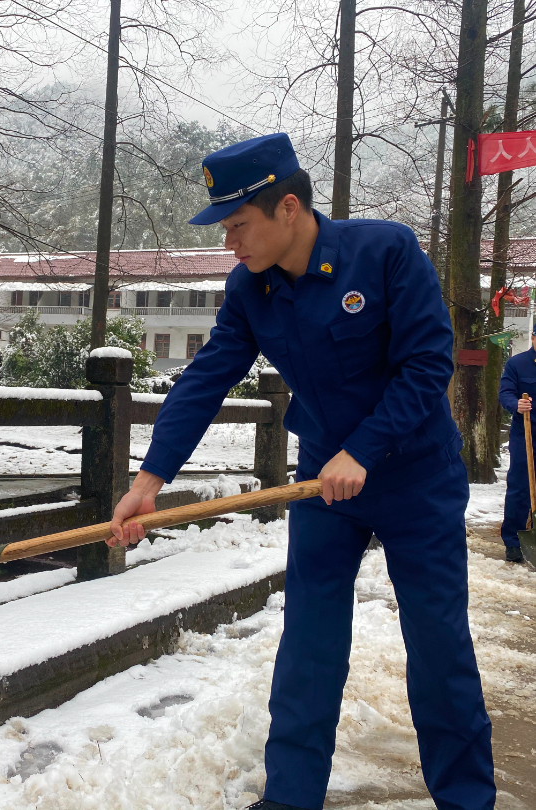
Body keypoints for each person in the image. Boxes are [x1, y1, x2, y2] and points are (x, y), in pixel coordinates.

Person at [108, 134, 495, 810]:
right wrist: (148, 482)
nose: (230, 242)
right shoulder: (250, 289)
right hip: (324, 482)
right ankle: (290, 798)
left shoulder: (384, 253)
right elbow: (205, 379)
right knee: (309, 644)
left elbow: (428, 365)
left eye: (237, 225)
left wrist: (366, 449)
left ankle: (466, 800)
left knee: (437, 646)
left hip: (415, 477)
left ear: (288, 207)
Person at [497, 327, 536, 563]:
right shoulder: (517, 364)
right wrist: (516, 405)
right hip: (526, 434)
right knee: (520, 487)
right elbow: (506, 393)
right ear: (533, 338)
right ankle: (513, 541)